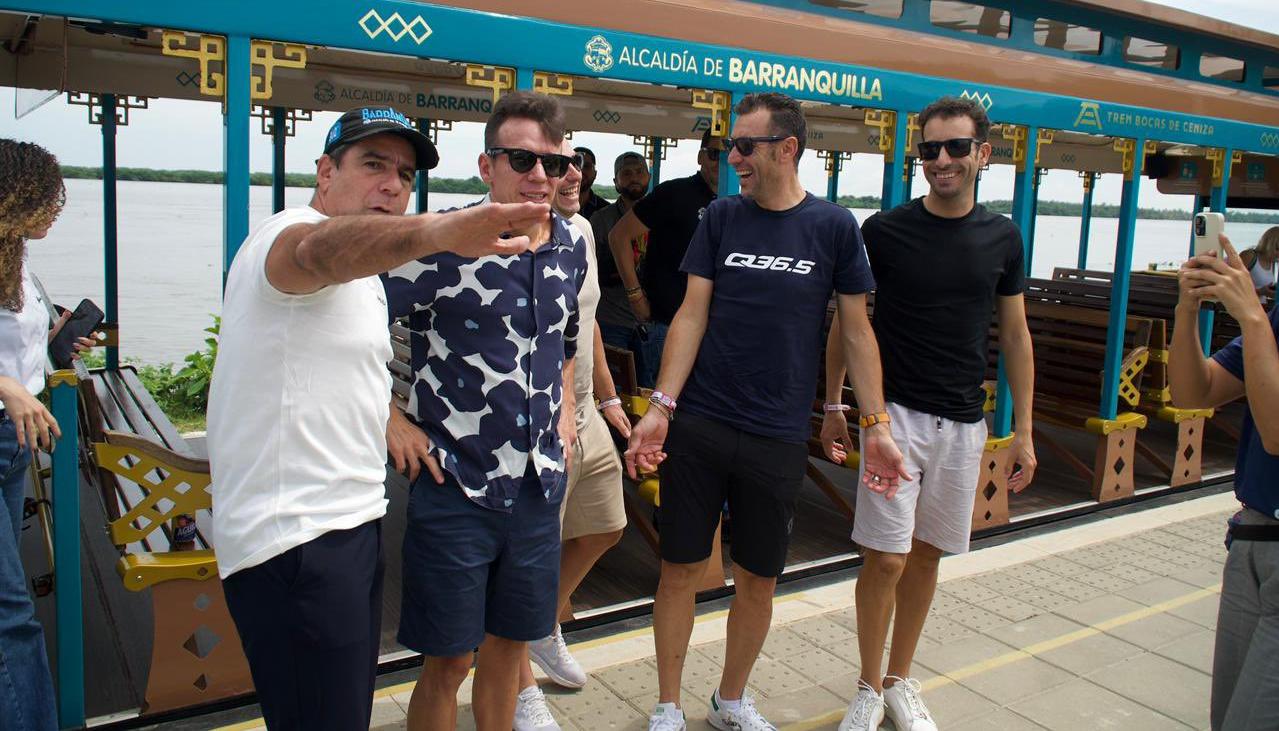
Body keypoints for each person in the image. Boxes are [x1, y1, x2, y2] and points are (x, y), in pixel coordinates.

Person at [206, 106, 548, 730]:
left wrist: (387, 414)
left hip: (352, 523)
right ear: (325, 172)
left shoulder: (366, 276)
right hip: (296, 537)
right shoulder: (290, 234)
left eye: (405, 172)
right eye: (372, 164)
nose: (392, 184)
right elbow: (318, 254)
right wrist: (438, 233)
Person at [625, 93, 905, 731]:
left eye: (746, 146)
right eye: (730, 146)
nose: (734, 158)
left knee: (758, 577)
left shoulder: (834, 227)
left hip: (778, 434)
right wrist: (661, 406)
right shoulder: (721, 217)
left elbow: (857, 332)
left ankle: (730, 700)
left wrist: (874, 422)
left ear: (788, 149)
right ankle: (667, 706)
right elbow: (692, 313)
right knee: (680, 569)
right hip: (702, 422)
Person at [823, 95, 1036, 731]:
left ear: (983, 154)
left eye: (955, 148)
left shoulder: (1003, 235)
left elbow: (1016, 336)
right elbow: (848, 323)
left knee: (926, 556)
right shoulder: (884, 231)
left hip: (965, 422)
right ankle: (866, 683)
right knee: (884, 557)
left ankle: (898, 680)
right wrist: (836, 403)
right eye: (929, 150)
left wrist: (1022, 431)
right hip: (894, 419)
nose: (941, 160)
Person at [380, 91, 587, 731]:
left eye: (555, 164)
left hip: (536, 488)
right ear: (486, 164)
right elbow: (342, 329)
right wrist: (390, 418)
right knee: (448, 663)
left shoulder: (571, 247)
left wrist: (567, 407)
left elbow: (568, 336)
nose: (540, 176)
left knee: (508, 652)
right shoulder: (440, 243)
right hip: (456, 483)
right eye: (522, 159)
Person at [513, 140, 633, 731]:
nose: (570, 174)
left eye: (572, 164)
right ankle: (518, 683)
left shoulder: (582, 232)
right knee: (527, 556)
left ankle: (540, 623)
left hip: (583, 409)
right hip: (535, 421)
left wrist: (609, 400)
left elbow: (585, 328)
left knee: (607, 526)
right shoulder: (503, 235)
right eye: (555, 166)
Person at [0, 138, 94, 731]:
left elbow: (21, 346)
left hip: (11, 445)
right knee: (10, 614)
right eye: (48, 197)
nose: (58, 208)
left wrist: (58, 341)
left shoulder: (18, 262)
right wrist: (6, 386)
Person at [1169, 231, 1279, 731]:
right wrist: (1188, 311)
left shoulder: (1265, 319)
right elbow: (1195, 392)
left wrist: (1251, 316)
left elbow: (1276, 434)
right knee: (1227, 716)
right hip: (1254, 540)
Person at [607, 129, 721, 387]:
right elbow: (618, 237)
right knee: (661, 412)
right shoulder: (673, 193)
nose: (721, 161)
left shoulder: (741, 202)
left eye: (729, 153)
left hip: (716, 331)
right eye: (715, 154)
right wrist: (635, 296)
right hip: (667, 326)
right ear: (701, 157)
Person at [590, 151, 651, 383]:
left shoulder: (663, 214)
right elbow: (593, 272)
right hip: (612, 319)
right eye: (626, 173)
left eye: (639, 172)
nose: (634, 178)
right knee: (613, 391)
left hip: (653, 323)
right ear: (616, 182)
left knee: (652, 388)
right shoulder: (601, 219)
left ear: (649, 176)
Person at [1236, 226, 1277, 300]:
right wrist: (1260, 292)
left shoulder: (1272, 262)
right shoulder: (1249, 256)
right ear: (1269, 245)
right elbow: (1232, 285)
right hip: (1244, 307)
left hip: (1261, 308)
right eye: (1277, 249)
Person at [574, 146, 610, 221]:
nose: (581, 171)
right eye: (576, 164)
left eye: (586, 166)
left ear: (595, 174)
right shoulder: (552, 204)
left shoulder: (607, 211)